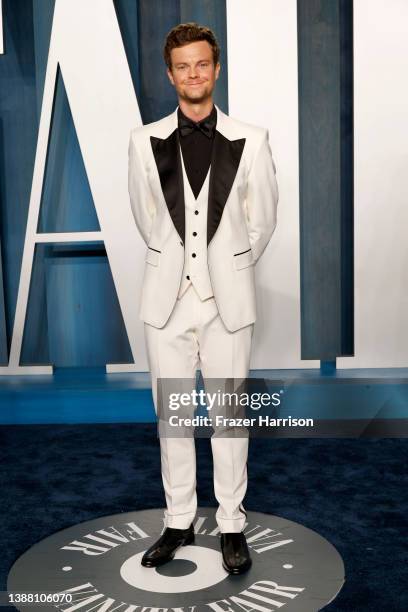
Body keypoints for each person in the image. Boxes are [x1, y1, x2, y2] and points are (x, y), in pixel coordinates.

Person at [128, 22, 279, 575]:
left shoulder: (253, 138)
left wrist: (227, 271)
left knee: (229, 417)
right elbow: (147, 219)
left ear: (216, 70)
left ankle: (233, 524)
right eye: (182, 66)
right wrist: (182, 268)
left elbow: (261, 221)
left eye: (202, 64)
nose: (193, 74)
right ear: (170, 75)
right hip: (165, 302)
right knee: (172, 419)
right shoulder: (142, 140)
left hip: (227, 303)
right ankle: (178, 519)